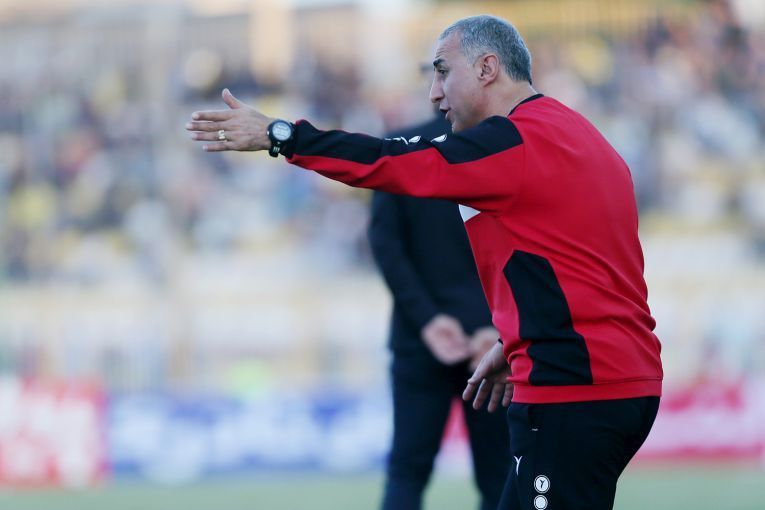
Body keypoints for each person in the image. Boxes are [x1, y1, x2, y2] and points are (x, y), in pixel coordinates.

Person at [186, 14, 663, 510]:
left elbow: (385, 160)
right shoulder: (582, 135)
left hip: (573, 391)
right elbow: (585, 264)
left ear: (487, 68)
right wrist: (516, 341)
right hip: (615, 379)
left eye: (442, 72)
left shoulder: (512, 141)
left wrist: (282, 134)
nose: (434, 93)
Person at [369, 112, 510, 510]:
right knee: (500, 476)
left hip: (419, 338)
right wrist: (496, 325)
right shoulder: (503, 151)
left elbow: (386, 246)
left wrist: (428, 320)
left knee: (407, 473)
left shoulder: (400, 149)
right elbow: (523, 248)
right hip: (493, 343)